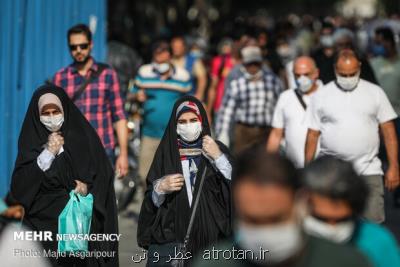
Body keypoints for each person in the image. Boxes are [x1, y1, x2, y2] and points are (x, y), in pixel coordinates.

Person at [193, 147, 371, 267]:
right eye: (253, 221)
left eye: (276, 219)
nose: (265, 233)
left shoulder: (347, 262)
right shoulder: (213, 262)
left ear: (301, 204)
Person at [9, 85, 118, 266]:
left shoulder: (82, 136)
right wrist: (47, 155)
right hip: (41, 228)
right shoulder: (32, 141)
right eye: (46, 113)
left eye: (56, 111)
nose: (52, 117)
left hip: (78, 230)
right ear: (37, 115)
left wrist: (86, 189)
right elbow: (19, 189)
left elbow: (102, 177)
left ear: (64, 110)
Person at [305, 49, 400, 223]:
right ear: (335, 69)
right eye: (343, 74)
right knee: (334, 224)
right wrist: (309, 171)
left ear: (360, 68)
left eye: (352, 74)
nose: (348, 79)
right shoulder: (322, 95)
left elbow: (388, 130)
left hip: (369, 171)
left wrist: (394, 166)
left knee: (373, 224)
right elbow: (312, 134)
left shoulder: (375, 92)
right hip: (332, 175)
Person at [137, 96, 233, 263]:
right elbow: (150, 203)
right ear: (175, 126)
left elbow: (235, 187)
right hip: (173, 241)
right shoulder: (166, 154)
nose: (188, 125)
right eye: (182, 122)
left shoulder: (216, 150)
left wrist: (218, 157)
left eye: (193, 120)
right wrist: (160, 189)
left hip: (210, 241)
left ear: (201, 121)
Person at [53, 24, 128, 177]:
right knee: (75, 200)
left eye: (83, 45)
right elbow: (55, 118)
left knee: (102, 200)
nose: (78, 50)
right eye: (74, 47)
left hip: (103, 148)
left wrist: (123, 154)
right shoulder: (61, 78)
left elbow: (119, 116)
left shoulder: (107, 74)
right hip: (73, 150)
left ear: (91, 45)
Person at [302, 156, 400, 267]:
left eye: (342, 220)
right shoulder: (288, 244)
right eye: (321, 219)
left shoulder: (378, 243)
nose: (332, 227)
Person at [130, 41, 192, 188]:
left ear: (169, 56)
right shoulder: (144, 72)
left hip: (174, 134)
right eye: (156, 56)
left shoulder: (182, 76)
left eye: (163, 56)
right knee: (144, 173)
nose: (159, 61)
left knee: (173, 173)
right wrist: (136, 96)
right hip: (149, 133)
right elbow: (131, 94)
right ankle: (149, 205)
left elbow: (189, 102)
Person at [215, 46, 283, 154]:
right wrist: (223, 133)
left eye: (256, 64)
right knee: (243, 165)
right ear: (244, 65)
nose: (253, 68)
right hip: (243, 131)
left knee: (266, 164)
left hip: (266, 131)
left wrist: (282, 133)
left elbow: (280, 107)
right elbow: (226, 111)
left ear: (261, 64)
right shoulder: (237, 84)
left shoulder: (273, 82)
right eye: (249, 64)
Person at [267, 56, 322, 168]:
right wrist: (267, 162)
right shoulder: (285, 97)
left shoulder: (328, 95)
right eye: (297, 75)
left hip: (323, 169)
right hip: (293, 169)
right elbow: (276, 134)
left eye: (306, 74)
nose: (302, 79)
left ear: (316, 73)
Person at [311, 27, 378, 84]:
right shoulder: (327, 65)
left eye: (348, 44)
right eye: (341, 45)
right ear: (335, 46)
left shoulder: (363, 64)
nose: (345, 47)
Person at [171, 36, 208, 101]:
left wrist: (199, 95)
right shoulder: (169, 61)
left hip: (188, 98)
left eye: (178, 47)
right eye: (174, 47)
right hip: (171, 98)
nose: (175, 49)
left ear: (184, 47)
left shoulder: (193, 61)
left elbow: (202, 79)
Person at [207, 38, 235, 116]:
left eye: (228, 47)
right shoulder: (217, 61)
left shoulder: (236, 62)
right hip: (220, 102)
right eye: (225, 47)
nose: (226, 49)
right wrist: (208, 111)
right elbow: (213, 86)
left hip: (233, 103)